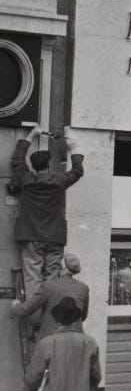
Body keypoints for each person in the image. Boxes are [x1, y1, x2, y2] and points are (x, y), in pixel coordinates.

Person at [9, 125, 84, 300]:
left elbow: (18, 159)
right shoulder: (59, 181)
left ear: (33, 166)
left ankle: (35, 319)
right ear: (49, 164)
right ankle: (49, 320)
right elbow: (77, 171)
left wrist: (32, 134)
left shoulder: (26, 179)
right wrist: (72, 147)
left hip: (30, 236)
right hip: (54, 238)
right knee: (52, 280)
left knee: (32, 280)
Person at [25, 297, 101, 391]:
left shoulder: (46, 344)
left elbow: (33, 379)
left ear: (57, 319)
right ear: (75, 319)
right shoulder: (90, 343)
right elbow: (96, 377)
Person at [10, 253, 89, 341]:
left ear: (62, 267)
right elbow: (83, 316)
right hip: (76, 340)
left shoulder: (49, 285)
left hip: (51, 340)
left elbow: (27, 309)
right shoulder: (83, 288)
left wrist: (15, 306)